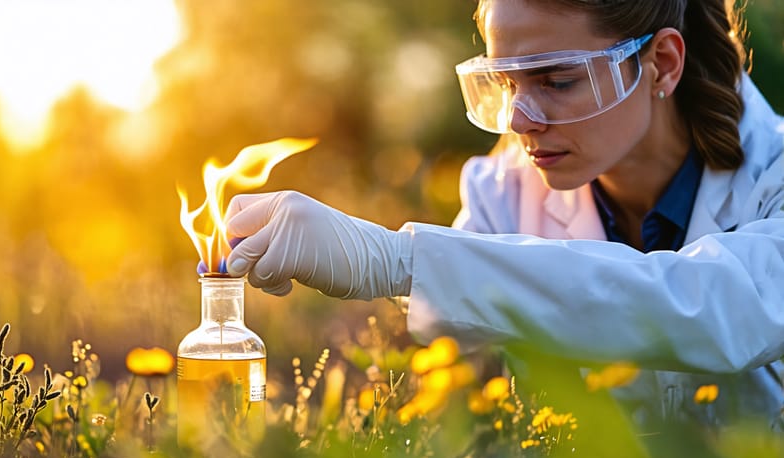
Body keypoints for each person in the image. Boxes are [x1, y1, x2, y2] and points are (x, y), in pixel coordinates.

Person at [222, 0, 784, 426]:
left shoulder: (775, 172)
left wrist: (398, 260)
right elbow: (464, 391)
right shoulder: (502, 192)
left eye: (557, 80)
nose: (519, 119)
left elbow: (720, 304)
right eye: (504, 83)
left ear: (661, 64)